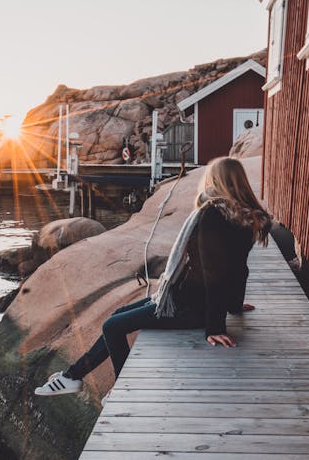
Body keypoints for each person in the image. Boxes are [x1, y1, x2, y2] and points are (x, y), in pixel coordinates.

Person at [35, 157, 272, 396]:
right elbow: (239, 268)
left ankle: (122, 389)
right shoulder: (245, 219)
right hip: (186, 298)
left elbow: (214, 272)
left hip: (189, 306)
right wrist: (233, 304)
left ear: (215, 181)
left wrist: (214, 327)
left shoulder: (213, 215)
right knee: (118, 316)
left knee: (112, 327)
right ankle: (72, 376)